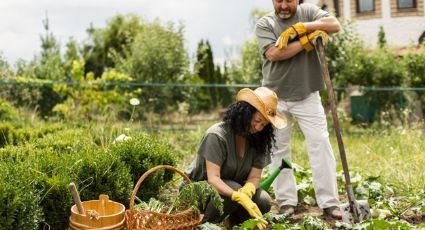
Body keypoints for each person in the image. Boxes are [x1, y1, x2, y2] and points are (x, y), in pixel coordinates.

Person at [255, 0, 342, 219]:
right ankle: (286, 202)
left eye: (289, 1)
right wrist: (307, 42)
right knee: (279, 150)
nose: (283, 5)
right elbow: (274, 53)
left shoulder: (309, 12)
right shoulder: (265, 23)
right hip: (275, 98)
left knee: (320, 143)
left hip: (307, 94)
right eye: (278, 0)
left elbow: (334, 25)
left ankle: (329, 202)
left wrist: (303, 28)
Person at [185, 87, 287, 228]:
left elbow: (255, 177)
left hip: (230, 188)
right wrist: (238, 195)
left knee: (263, 200)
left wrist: (249, 189)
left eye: (264, 124)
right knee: (232, 189)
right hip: (198, 191)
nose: (258, 127)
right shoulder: (217, 135)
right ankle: (206, 224)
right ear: (246, 113)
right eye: (257, 120)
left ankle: (235, 224)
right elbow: (213, 179)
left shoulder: (259, 140)